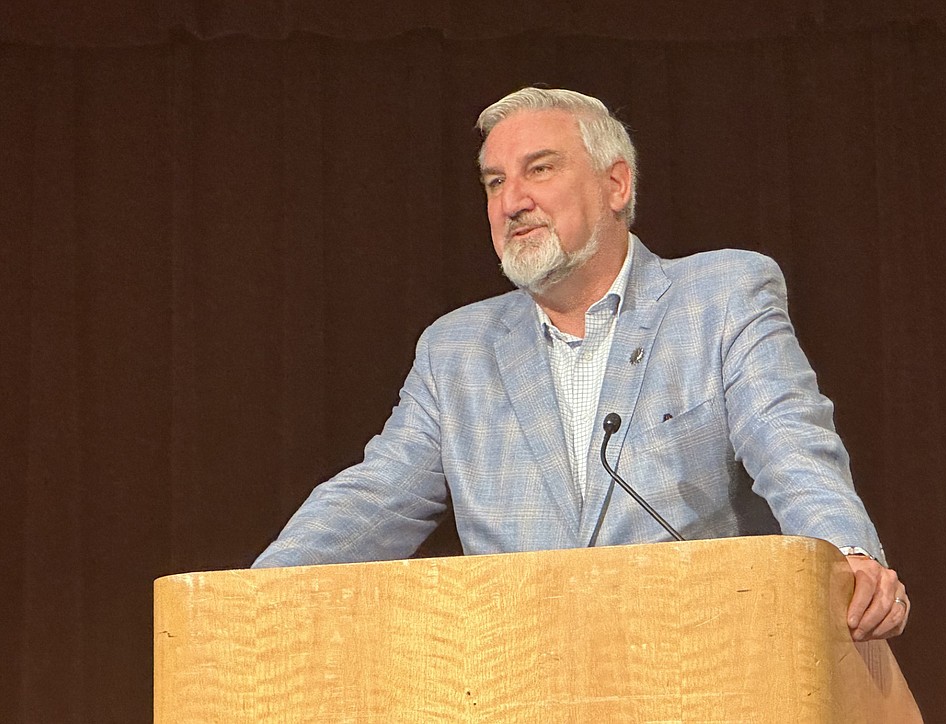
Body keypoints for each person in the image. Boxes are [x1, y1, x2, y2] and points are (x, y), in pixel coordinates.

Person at [253, 87, 909, 641]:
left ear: (615, 182)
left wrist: (847, 558)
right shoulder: (455, 351)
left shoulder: (721, 296)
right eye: (494, 182)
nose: (512, 200)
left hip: (701, 664)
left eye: (539, 169)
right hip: (520, 676)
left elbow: (792, 447)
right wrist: (252, 598)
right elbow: (376, 496)